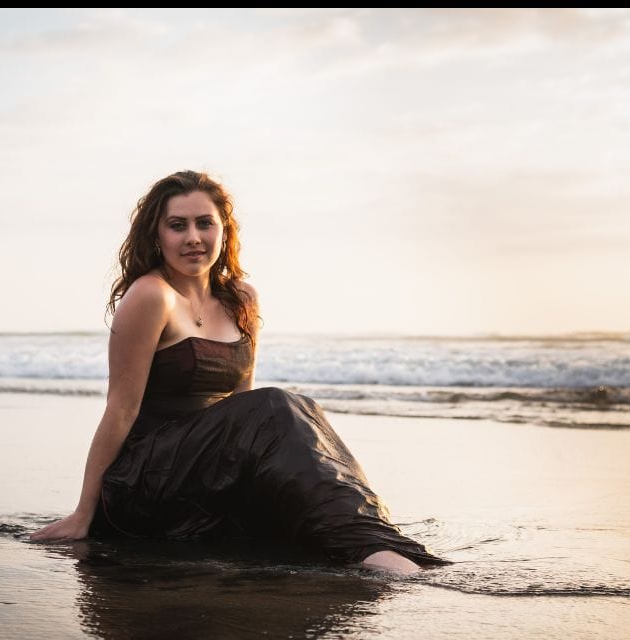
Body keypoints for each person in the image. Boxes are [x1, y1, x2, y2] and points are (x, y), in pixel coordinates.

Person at [30, 170, 450, 574]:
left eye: (204, 224)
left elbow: (240, 408)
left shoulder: (242, 297)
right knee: (276, 403)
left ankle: (374, 535)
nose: (193, 237)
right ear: (157, 237)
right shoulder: (151, 296)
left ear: (224, 230)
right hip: (145, 482)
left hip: (206, 480)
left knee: (300, 409)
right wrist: (85, 514)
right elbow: (120, 410)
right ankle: (373, 547)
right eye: (177, 226)